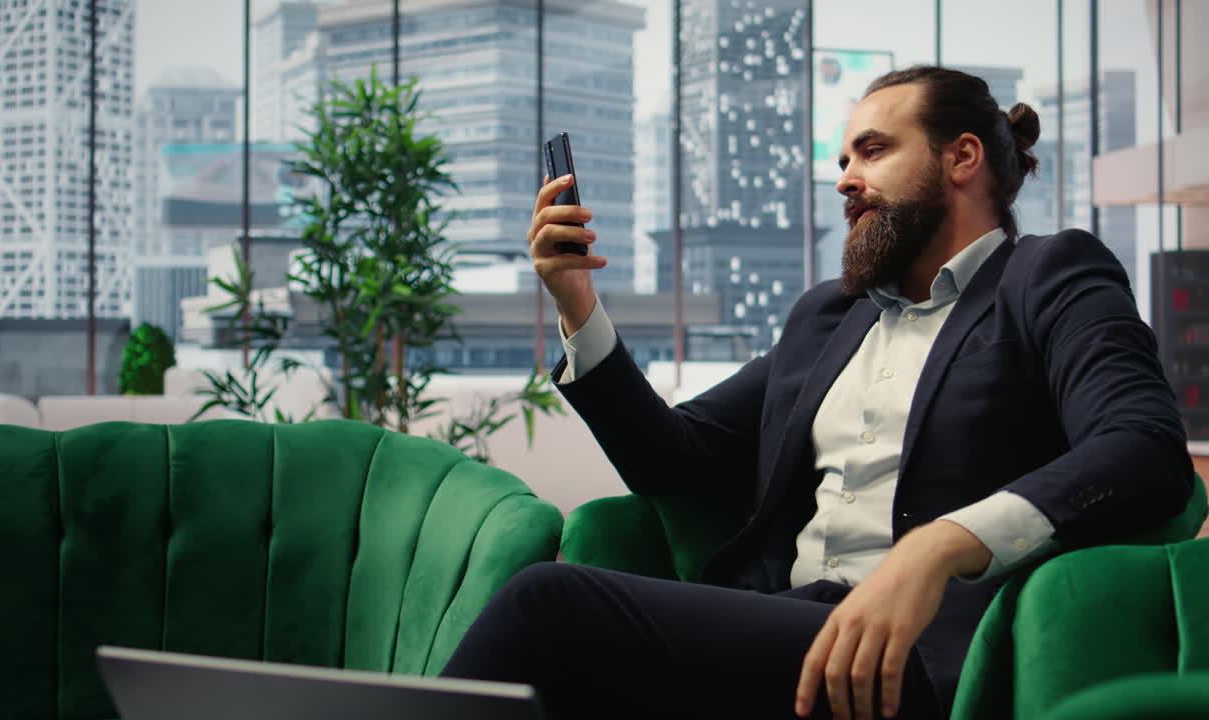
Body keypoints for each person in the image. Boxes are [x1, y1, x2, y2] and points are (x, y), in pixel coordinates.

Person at [440, 66, 1194, 720]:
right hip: (782, 625)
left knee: (548, 608)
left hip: (924, 654)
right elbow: (672, 458)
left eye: (873, 150)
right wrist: (576, 300)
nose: (844, 178)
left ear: (961, 157)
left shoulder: (1049, 277)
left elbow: (1142, 445)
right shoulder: (827, 318)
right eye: (841, 158)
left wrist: (940, 546)